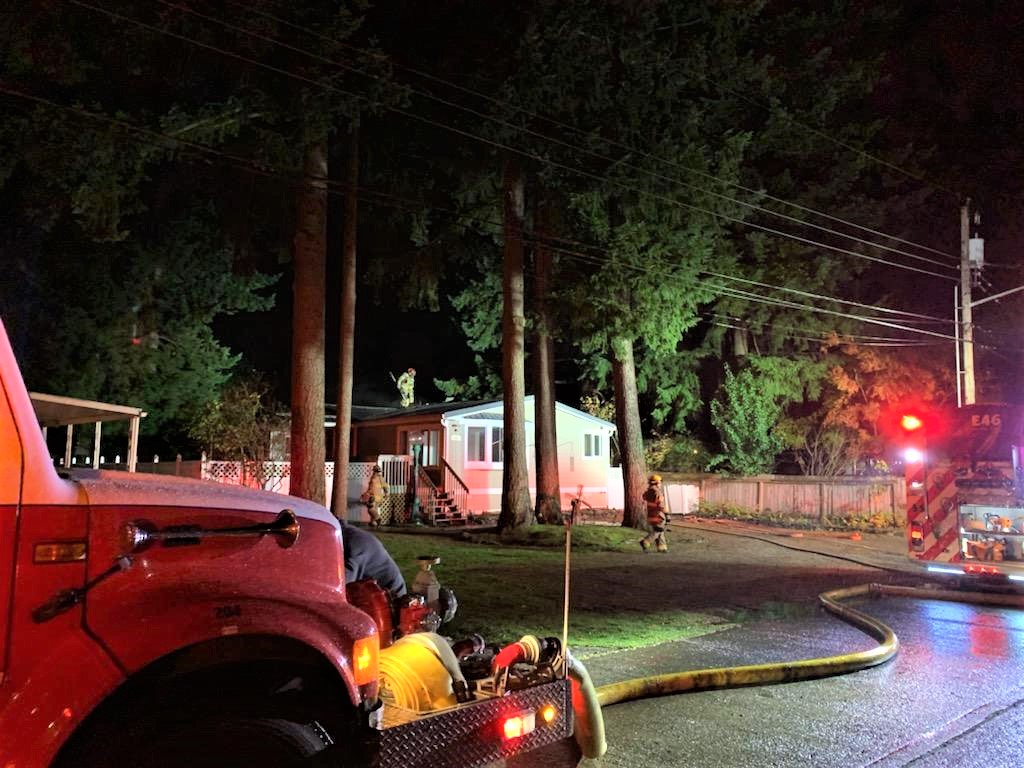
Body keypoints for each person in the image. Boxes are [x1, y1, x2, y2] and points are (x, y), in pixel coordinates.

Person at [341, 523, 407, 597]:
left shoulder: (354, 546)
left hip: (390, 594)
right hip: (370, 590)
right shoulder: (346, 533)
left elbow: (341, 584)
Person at [640, 474, 670, 553]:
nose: (660, 484)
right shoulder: (657, 492)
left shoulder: (648, 491)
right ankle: (646, 541)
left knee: (659, 530)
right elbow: (661, 505)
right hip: (658, 514)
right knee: (658, 530)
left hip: (651, 514)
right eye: (660, 482)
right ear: (657, 483)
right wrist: (667, 514)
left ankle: (662, 547)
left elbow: (644, 498)